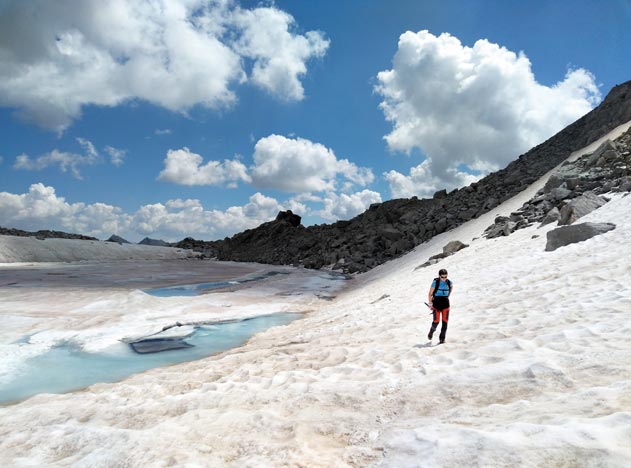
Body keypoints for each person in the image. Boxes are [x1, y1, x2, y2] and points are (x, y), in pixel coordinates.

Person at [428, 269, 453, 344]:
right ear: (439, 276)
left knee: (445, 322)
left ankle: (442, 339)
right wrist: (430, 304)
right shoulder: (435, 282)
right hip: (436, 304)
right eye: (442, 277)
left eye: (446, 277)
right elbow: (430, 294)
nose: (444, 278)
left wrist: (446, 297)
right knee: (436, 321)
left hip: (445, 304)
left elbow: (450, 290)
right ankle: (431, 331)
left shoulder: (449, 282)